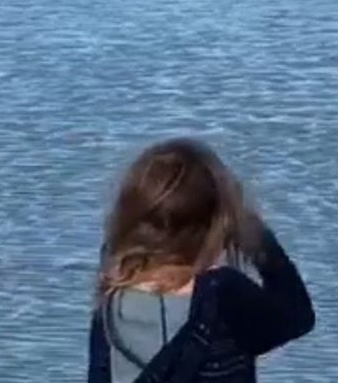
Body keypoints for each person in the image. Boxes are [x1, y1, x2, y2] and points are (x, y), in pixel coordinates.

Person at [87, 137, 315, 383]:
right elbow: (298, 317)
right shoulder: (225, 294)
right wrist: (251, 228)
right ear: (218, 223)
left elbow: (98, 375)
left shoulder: (114, 287)